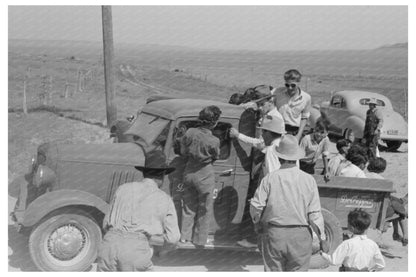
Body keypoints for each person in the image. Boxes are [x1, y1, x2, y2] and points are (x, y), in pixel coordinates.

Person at [250, 135, 327, 271]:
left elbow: (256, 207)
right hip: (300, 237)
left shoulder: (269, 179)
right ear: (296, 157)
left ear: (279, 158)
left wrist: (257, 224)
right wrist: (322, 239)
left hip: (274, 234)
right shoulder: (309, 180)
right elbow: (314, 214)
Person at [97, 149, 180, 271]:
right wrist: (156, 246)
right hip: (135, 251)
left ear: (144, 173)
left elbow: (105, 224)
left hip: (108, 247)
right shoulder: (165, 199)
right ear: (162, 176)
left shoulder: (122, 189)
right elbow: (173, 239)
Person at [230, 115, 286, 248]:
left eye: (263, 132)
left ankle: (257, 241)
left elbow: (272, 176)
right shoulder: (283, 145)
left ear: (269, 133)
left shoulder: (272, 150)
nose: (261, 135)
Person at [180, 105, 221, 246]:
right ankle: (199, 239)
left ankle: (184, 236)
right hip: (205, 173)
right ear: (214, 122)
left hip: (189, 170)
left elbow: (183, 151)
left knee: (188, 206)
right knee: (205, 208)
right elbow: (216, 156)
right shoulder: (214, 141)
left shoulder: (190, 132)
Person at [320, 209, 385, 271]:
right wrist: (371, 270)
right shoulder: (373, 244)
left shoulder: (347, 244)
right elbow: (381, 265)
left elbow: (334, 261)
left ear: (351, 228)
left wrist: (322, 254)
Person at [366, 157, 408, 246]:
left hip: (366, 202)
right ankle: (403, 234)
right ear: (382, 169)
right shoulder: (381, 180)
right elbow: (391, 191)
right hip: (378, 208)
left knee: (396, 204)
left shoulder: (364, 175)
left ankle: (397, 233)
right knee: (398, 209)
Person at [276, 69, 312, 141]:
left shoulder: (306, 98)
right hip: (277, 131)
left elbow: (304, 118)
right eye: (287, 85)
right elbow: (265, 98)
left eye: (293, 85)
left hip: (294, 132)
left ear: (298, 83)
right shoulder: (277, 93)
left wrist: (298, 135)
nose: (290, 88)